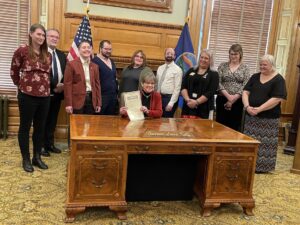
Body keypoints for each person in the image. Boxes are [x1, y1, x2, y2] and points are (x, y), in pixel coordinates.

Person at [10, 24, 51, 172]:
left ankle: (37, 157)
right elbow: (14, 70)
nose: (41, 37)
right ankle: (26, 159)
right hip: (27, 96)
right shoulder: (22, 50)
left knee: (40, 129)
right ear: (31, 34)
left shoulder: (48, 54)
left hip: (45, 97)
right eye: (39, 34)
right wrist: (21, 86)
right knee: (25, 128)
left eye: (43, 35)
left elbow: (48, 75)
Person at [242, 54, 287, 173]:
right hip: (251, 117)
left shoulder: (279, 79)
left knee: (265, 144)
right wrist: (247, 107)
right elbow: (245, 92)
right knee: (250, 142)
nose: (262, 66)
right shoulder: (255, 77)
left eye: (265, 65)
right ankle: (248, 164)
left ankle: (263, 168)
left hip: (269, 119)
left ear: (272, 65)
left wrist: (259, 109)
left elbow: (277, 98)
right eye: (260, 64)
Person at [41, 29, 67, 157]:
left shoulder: (62, 55)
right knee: (42, 121)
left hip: (57, 94)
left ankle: (49, 144)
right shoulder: (41, 53)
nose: (54, 39)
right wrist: (54, 85)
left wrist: (61, 86)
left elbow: (66, 73)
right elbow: (42, 73)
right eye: (51, 36)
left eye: (57, 37)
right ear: (46, 37)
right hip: (43, 93)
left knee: (52, 121)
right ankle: (40, 146)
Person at [216, 44, 251, 131]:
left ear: (240, 55)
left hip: (238, 101)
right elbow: (218, 82)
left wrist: (233, 99)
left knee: (234, 127)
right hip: (222, 99)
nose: (233, 56)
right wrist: (228, 97)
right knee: (220, 126)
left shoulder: (245, 68)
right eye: (231, 54)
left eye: (236, 54)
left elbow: (246, 84)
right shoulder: (222, 66)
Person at [64, 40, 101, 115]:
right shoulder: (71, 65)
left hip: (91, 101)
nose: (87, 49)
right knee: (76, 125)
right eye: (84, 47)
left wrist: (98, 103)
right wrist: (68, 104)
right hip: (76, 101)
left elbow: (97, 85)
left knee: (90, 125)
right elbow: (67, 85)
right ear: (78, 50)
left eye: (88, 47)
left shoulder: (95, 66)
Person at [181, 49, 219, 119]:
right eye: (201, 57)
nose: (203, 60)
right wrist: (188, 100)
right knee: (185, 128)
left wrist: (196, 102)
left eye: (206, 58)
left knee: (201, 129)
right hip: (188, 105)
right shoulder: (191, 70)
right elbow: (183, 86)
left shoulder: (214, 74)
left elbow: (210, 92)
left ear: (211, 60)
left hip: (204, 108)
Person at [92, 40, 118, 115]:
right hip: (101, 98)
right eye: (106, 49)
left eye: (110, 49)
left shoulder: (112, 62)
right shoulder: (94, 62)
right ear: (100, 48)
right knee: (99, 122)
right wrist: (97, 100)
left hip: (112, 98)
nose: (108, 51)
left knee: (110, 122)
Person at [156, 48, 183, 118]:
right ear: (164, 55)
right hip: (159, 97)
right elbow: (157, 84)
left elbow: (177, 88)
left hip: (169, 99)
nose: (169, 55)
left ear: (174, 56)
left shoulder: (178, 70)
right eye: (167, 53)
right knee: (157, 119)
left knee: (166, 122)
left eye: (171, 54)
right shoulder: (160, 68)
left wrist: (171, 103)